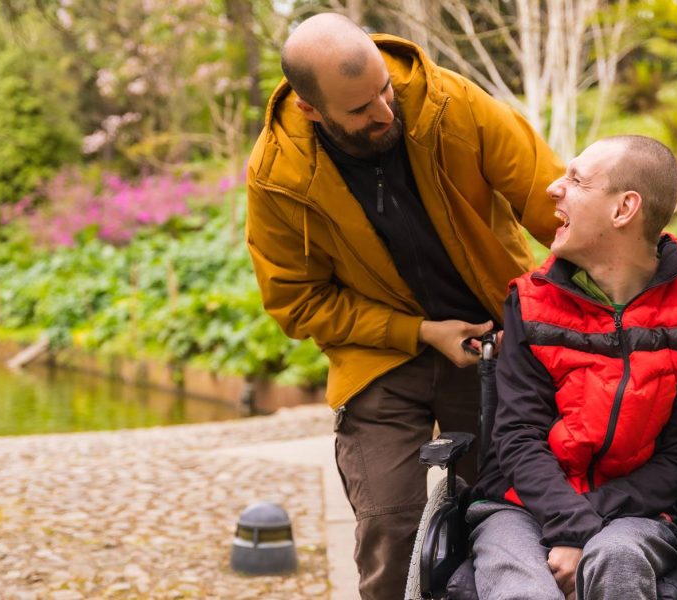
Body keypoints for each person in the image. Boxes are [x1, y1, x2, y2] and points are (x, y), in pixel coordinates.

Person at [244, 13, 563, 599]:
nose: (385, 112)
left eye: (384, 89)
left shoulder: (451, 104)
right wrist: (418, 331)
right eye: (361, 110)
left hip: (496, 336)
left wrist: (630, 270)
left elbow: (555, 203)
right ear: (314, 109)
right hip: (380, 354)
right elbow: (297, 301)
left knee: (503, 512)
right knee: (394, 526)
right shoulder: (277, 177)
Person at [467, 135, 677, 600]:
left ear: (623, 209)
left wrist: (586, 529)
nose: (553, 188)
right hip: (519, 505)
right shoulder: (529, 303)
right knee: (521, 587)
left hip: (636, 515)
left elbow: (675, 459)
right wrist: (571, 525)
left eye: (576, 180)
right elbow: (517, 435)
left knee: (618, 560)